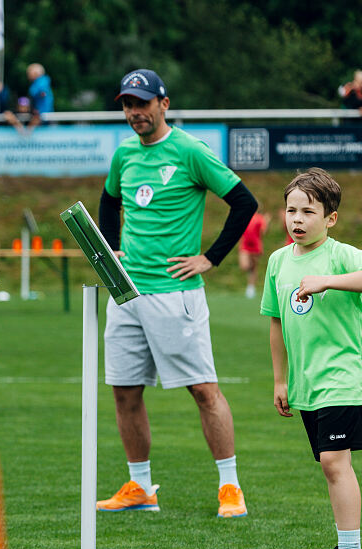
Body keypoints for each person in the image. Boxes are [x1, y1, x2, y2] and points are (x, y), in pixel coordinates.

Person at [96, 68, 259, 518]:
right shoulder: (124, 154)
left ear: (163, 104)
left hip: (176, 293)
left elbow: (244, 202)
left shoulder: (189, 150)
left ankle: (230, 486)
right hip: (126, 294)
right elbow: (109, 201)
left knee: (204, 390)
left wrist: (211, 257)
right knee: (125, 392)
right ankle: (141, 487)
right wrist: (112, 248)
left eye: (142, 103)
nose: (135, 113)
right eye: (128, 104)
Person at [261, 168, 362, 549]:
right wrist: (280, 380)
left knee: (336, 463)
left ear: (330, 218)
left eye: (308, 212)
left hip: (341, 377)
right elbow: (276, 322)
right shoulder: (278, 261)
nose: (297, 220)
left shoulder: (340, 256)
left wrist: (328, 283)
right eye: (291, 210)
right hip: (306, 384)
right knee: (328, 465)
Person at [238, 210, 270, 299]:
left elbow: (263, 232)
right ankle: (250, 284)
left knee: (253, 269)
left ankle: (251, 288)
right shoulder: (244, 216)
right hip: (245, 245)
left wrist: (266, 222)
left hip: (256, 245)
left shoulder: (260, 218)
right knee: (244, 266)